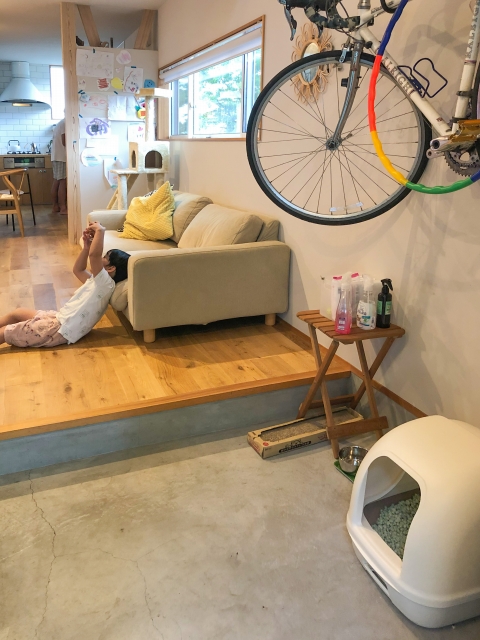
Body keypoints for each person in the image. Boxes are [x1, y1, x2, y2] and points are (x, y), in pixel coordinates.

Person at [0, 222, 130, 348]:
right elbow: (78, 270)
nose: (101, 258)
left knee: (6, 331)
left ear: (111, 268)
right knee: (17, 313)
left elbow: (94, 255)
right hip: (58, 318)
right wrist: (86, 248)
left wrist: (100, 231)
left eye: (105, 257)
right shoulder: (97, 283)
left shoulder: (106, 284)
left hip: (60, 330)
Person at [51, 118, 67, 215]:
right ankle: (63, 208)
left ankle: (55, 206)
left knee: (57, 181)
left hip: (56, 156)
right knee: (63, 181)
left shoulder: (61, 123)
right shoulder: (65, 123)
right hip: (62, 157)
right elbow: (65, 141)